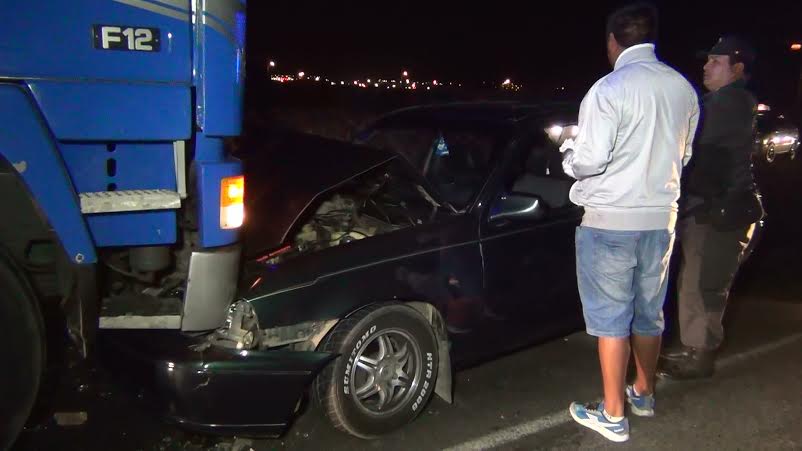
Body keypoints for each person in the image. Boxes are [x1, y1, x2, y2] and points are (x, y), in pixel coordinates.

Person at [559, 3, 699, 442]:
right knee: (648, 313)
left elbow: (590, 160)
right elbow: (685, 155)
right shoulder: (683, 88)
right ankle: (643, 391)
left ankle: (613, 415)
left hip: (610, 221)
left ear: (612, 42)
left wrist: (568, 154)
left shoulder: (608, 89)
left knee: (611, 319)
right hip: (661, 219)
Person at [657, 36, 764, 379]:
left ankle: (699, 354)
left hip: (721, 211)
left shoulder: (728, 104)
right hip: (712, 208)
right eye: (707, 60)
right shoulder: (721, 101)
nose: (706, 66)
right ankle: (693, 347)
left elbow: (692, 145)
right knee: (695, 280)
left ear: (737, 69)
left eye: (716, 61)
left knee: (706, 283)